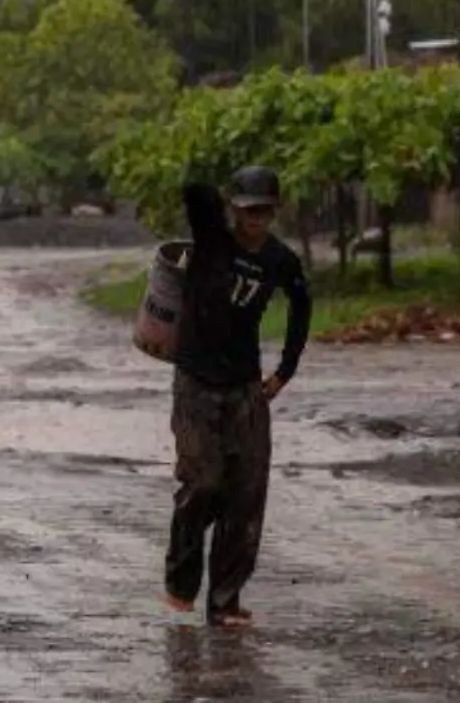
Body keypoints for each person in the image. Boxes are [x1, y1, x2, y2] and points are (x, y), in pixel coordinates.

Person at [164, 165, 313, 628]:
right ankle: (181, 577)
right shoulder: (213, 242)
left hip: (245, 385)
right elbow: (195, 194)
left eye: (264, 212)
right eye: (248, 211)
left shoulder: (280, 260)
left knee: (245, 495)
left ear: (275, 211)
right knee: (204, 483)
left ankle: (225, 601)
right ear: (234, 210)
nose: (255, 221)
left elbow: (302, 306)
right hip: (196, 382)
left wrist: (285, 371)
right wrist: (201, 179)